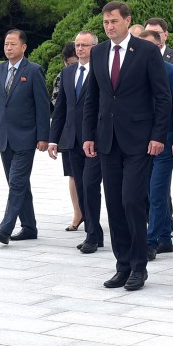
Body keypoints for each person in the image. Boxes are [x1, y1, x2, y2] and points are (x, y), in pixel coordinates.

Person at [83, 1, 171, 292]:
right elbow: (93, 98)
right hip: (107, 140)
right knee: (114, 204)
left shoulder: (146, 51)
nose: (109, 26)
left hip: (139, 140)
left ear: (128, 20)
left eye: (114, 21)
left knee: (132, 201)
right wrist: (88, 135)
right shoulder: (98, 52)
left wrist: (158, 136)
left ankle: (138, 266)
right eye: (105, 22)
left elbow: (162, 96)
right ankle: (122, 265)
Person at [0, 29, 50, 243]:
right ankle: (29, 227)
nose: (8, 48)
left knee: (17, 183)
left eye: (13, 44)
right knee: (18, 184)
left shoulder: (34, 71)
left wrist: (43, 137)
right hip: (5, 138)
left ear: (23, 47)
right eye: (6, 44)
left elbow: (42, 106)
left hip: (27, 137)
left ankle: (5, 229)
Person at [48, 30, 105, 253]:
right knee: (81, 186)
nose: (79, 49)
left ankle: (92, 235)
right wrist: (53, 139)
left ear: (94, 48)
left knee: (90, 185)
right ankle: (94, 232)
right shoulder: (68, 72)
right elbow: (61, 109)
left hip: (96, 140)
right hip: (72, 140)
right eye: (78, 45)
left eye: (85, 45)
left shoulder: (101, 70)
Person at [137, 29, 173, 259]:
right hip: (140, 142)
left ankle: (151, 240)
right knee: (150, 190)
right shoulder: (135, 71)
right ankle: (165, 237)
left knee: (157, 190)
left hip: (165, 141)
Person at [52, 41, 83, 231]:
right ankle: (78, 213)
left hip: (92, 133)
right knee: (73, 174)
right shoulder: (63, 76)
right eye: (71, 63)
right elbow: (58, 106)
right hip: (69, 132)